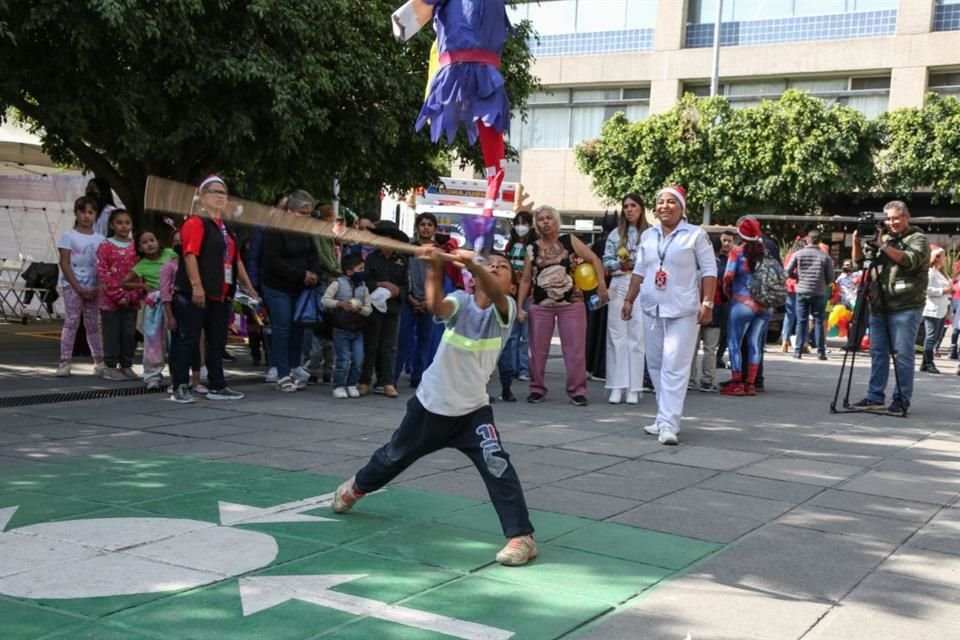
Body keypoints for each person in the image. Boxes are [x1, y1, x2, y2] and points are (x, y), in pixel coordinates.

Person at [331, 249, 537, 567]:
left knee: (497, 466)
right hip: (430, 405)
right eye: (489, 264)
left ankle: (522, 536)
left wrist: (471, 263)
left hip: (473, 411)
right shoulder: (459, 301)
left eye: (504, 267)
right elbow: (436, 305)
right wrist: (435, 267)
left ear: (512, 284)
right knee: (392, 457)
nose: (496, 268)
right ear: (471, 280)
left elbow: (493, 292)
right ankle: (357, 486)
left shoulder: (505, 307)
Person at [621, 185, 716, 445]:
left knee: (675, 366)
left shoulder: (695, 235)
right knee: (656, 365)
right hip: (652, 307)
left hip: (684, 310)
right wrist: (629, 299)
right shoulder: (649, 236)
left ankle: (670, 424)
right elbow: (639, 270)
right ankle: (663, 418)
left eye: (671, 201)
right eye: (660, 201)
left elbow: (709, 270)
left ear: (682, 207)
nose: (664, 206)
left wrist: (707, 303)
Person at [170, 176, 254, 403]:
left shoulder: (226, 227)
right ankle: (179, 385)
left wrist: (249, 286)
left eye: (223, 193)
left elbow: (236, 260)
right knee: (187, 339)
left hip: (221, 293)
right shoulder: (196, 222)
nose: (219, 196)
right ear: (202, 196)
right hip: (195, 292)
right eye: (214, 192)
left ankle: (218, 385)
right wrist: (197, 286)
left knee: (217, 340)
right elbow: (190, 255)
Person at [517, 205, 608, 406]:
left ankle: (577, 391)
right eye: (541, 219)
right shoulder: (532, 248)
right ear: (537, 224)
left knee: (575, 349)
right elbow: (525, 279)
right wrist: (519, 306)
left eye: (549, 218)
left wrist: (601, 285)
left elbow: (593, 259)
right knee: (537, 350)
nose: (546, 222)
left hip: (571, 303)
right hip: (540, 304)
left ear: (556, 221)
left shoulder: (569, 240)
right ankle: (537, 389)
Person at [851, 200, 930, 415]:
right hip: (879, 305)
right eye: (888, 218)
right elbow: (860, 264)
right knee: (878, 353)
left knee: (903, 354)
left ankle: (901, 400)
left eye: (896, 218)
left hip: (906, 305)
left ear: (907, 217)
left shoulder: (918, 239)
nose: (891, 222)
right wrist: (857, 242)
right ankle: (874, 396)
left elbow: (910, 261)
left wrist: (883, 246)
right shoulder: (882, 238)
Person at [260, 190, 322, 393]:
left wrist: (313, 273)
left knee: (298, 328)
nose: (305, 217)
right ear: (290, 210)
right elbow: (272, 261)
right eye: (302, 213)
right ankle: (281, 372)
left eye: (309, 213)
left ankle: (295, 367)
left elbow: (314, 254)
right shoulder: (275, 229)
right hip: (278, 286)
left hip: (301, 287)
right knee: (282, 328)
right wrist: (300, 274)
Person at [720, 217, 773, 396]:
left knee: (734, 342)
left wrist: (727, 292)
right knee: (754, 343)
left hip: (742, 303)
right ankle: (751, 383)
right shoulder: (765, 253)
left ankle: (737, 383)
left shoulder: (737, 252)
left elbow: (727, 277)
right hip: (765, 305)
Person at [602, 194, 646, 404]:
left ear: (641, 208)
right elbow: (606, 261)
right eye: (626, 206)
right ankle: (616, 385)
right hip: (618, 284)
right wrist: (620, 265)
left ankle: (634, 387)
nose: (629, 210)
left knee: (636, 336)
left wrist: (634, 263)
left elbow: (653, 260)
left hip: (640, 285)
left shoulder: (650, 233)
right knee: (616, 335)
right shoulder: (615, 234)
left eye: (633, 206)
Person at [56, 196, 105, 377]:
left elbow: (102, 265)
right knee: (71, 322)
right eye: (82, 212)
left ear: (95, 215)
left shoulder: (100, 239)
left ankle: (99, 360)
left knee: (93, 323)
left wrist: (97, 286)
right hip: (72, 286)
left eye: (90, 212)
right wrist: (77, 287)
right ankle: (65, 361)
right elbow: (64, 262)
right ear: (76, 213)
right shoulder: (68, 236)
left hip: (94, 287)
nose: (86, 216)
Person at [358, 221, 409, 398]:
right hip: (373, 307)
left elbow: (405, 285)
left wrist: (398, 291)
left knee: (388, 346)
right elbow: (364, 281)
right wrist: (380, 284)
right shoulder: (371, 258)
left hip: (392, 308)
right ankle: (364, 380)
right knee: (371, 345)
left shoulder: (402, 260)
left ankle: (387, 381)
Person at [122, 230, 177, 389]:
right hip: (155, 306)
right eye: (145, 242)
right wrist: (143, 286)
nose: (149, 244)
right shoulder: (142, 265)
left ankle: (178, 375)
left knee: (175, 341)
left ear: (158, 241)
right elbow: (124, 283)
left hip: (173, 302)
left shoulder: (170, 253)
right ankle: (152, 376)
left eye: (151, 240)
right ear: (140, 248)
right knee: (153, 342)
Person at [96, 208, 143, 381]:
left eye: (127, 223)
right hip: (110, 300)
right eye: (119, 223)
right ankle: (110, 365)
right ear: (112, 225)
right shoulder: (105, 245)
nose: (124, 226)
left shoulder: (136, 247)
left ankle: (126, 364)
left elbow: (141, 271)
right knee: (111, 333)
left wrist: (133, 295)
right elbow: (103, 273)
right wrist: (118, 295)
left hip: (131, 300)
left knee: (129, 333)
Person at [395, 212, 440, 388]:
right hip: (409, 300)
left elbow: (440, 279)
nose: (426, 228)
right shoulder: (408, 251)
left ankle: (419, 377)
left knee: (425, 341)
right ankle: (393, 378)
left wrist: (429, 300)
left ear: (434, 229)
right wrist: (410, 298)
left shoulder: (439, 252)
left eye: (430, 224)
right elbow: (403, 276)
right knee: (403, 340)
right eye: (422, 224)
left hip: (429, 303)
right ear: (417, 227)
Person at [323, 253, 373, 399]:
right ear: (350, 271)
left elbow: (369, 309)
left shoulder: (363, 288)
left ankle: (352, 384)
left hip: (358, 330)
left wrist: (361, 309)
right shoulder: (337, 283)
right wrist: (339, 304)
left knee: (358, 359)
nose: (364, 271)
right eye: (360, 268)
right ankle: (338, 385)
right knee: (343, 359)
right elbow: (325, 300)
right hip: (340, 329)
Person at [785, 231, 834, 361]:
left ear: (807, 240)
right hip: (818, 292)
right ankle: (820, 351)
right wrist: (822, 282)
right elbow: (831, 278)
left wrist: (796, 277)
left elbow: (787, 271)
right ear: (819, 241)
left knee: (801, 321)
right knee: (818, 321)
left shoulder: (798, 254)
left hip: (801, 291)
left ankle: (798, 351)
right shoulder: (825, 257)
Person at [503, 210, 535, 383]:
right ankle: (512, 368)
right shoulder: (510, 246)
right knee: (512, 334)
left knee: (526, 335)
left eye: (524, 223)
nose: (521, 227)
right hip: (511, 293)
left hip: (529, 294)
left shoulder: (534, 246)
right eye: (518, 223)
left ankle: (524, 368)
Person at [586, 211, 617, 382]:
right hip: (611, 290)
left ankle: (590, 365)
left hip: (595, 291)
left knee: (594, 328)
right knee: (607, 330)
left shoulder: (596, 245)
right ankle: (602, 367)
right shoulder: (617, 244)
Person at [920, 247, 951, 374]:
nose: (946, 259)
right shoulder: (930, 272)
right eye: (943, 256)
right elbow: (926, 289)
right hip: (932, 309)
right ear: (937, 258)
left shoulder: (942, 273)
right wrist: (943, 291)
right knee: (931, 337)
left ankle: (924, 363)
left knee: (935, 336)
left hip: (942, 308)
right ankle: (929, 363)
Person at [779, 238, 806, 353]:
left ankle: (785, 341)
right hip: (800, 286)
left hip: (789, 287)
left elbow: (785, 271)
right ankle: (803, 343)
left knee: (789, 315)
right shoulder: (802, 255)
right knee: (802, 316)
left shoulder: (788, 256)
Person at [715, 229, 737, 368]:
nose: (727, 244)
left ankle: (719, 356)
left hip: (729, 299)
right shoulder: (714, 258)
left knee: (726, 330)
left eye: (730, 241)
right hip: (715, 298)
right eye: (724, 240)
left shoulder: (734, 258)